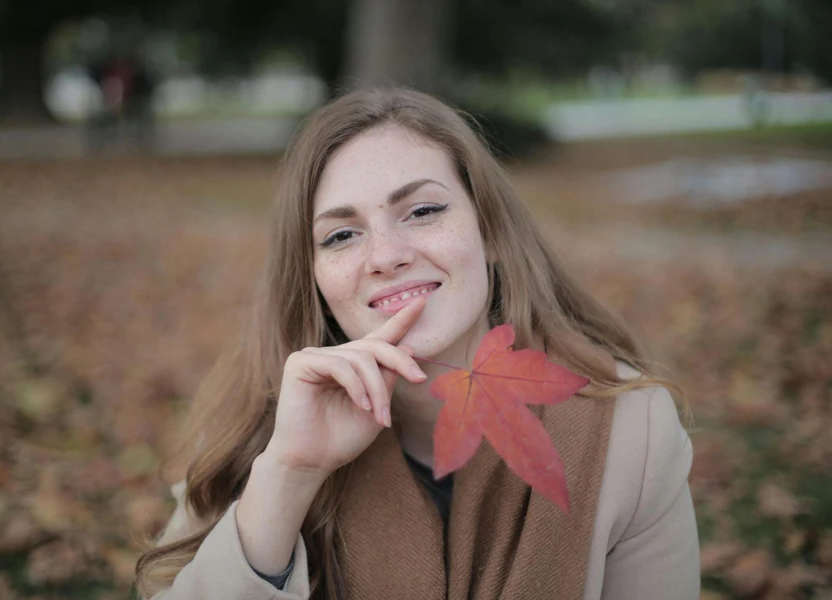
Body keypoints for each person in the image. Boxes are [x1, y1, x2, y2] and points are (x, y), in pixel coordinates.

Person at [135, 88, 700, 600]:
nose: (386, 256)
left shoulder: (629, 429)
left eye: (424, 210)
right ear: (313, 281)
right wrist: (289, 473)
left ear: (492, 232)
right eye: (341, 234)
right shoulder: (260, 433)